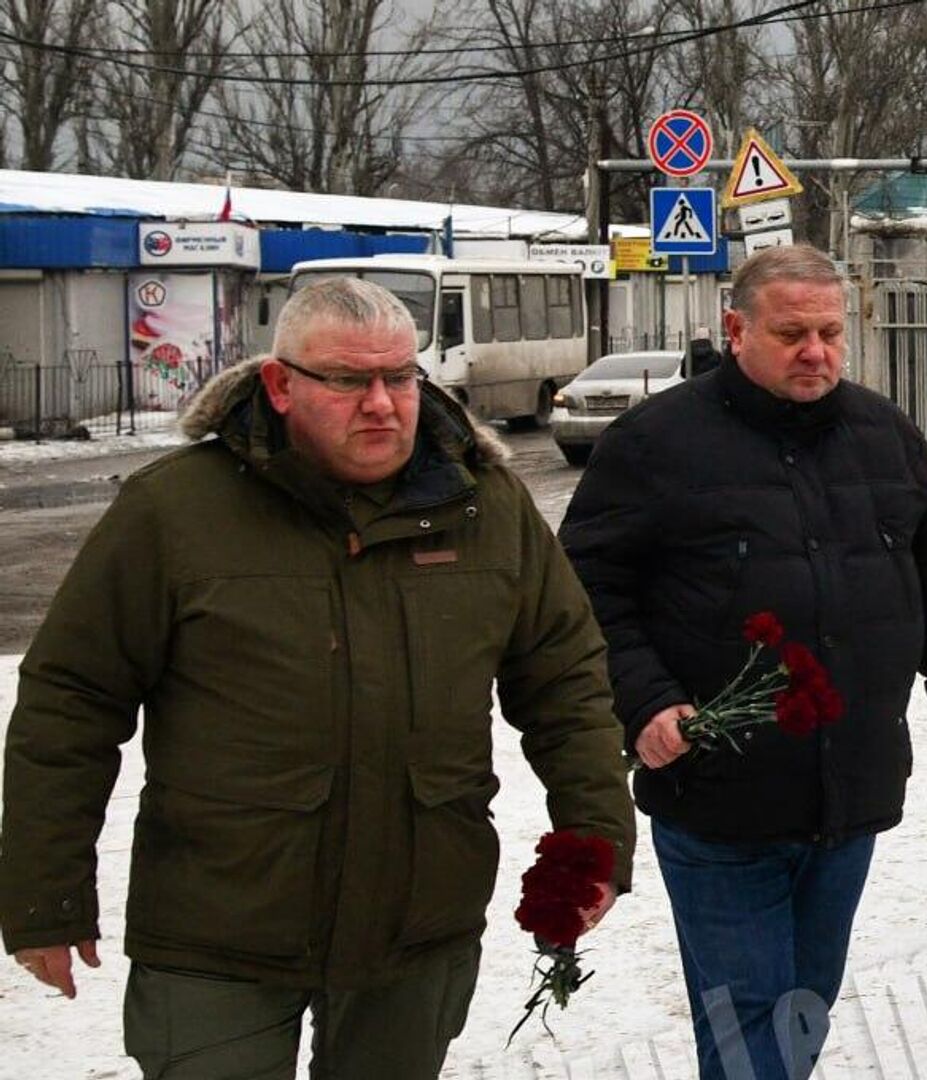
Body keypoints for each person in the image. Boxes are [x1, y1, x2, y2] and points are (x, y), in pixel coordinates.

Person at [0, 277, 637, 1078]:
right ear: (280, 384)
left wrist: (595, 843)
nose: (381, 403)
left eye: (400, 377)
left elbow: (567, 684)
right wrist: (44, 893)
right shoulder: (174, 510)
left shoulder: (488, 508)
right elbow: (71, 703)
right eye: (346, 380)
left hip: (416, 924)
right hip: (221, 929)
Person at [560, 244, 927, 1080]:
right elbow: (582, 593)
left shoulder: (885, 435)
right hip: (717, 789)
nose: (817, 351)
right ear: (736, 330)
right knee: (750, 1011)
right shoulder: (656, 442)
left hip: (853, 783)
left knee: (804, 999)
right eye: (793, 332)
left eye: (831, 332)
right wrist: (646, 701)